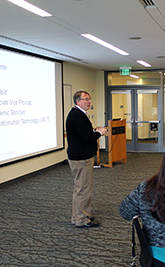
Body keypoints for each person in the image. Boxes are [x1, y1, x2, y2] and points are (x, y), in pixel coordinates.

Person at [66, 90, 107, 228]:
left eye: (89, 99)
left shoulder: (79, 115)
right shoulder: (77, 116)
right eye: (85, 99)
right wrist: (99, 133)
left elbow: (84, 134)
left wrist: (94, 131)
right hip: (81, 158)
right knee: (83, 189)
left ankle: (79, 215)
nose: (89, 102)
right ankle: (81, 219)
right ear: (78, 101)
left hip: (81, 156)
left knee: (81, 188)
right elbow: (87, 137)